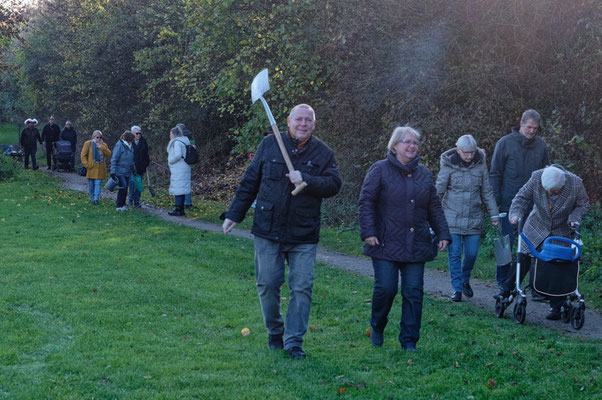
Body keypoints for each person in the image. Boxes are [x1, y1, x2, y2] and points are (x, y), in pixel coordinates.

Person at [222, 104, 341, 359]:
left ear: (314, 123)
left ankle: (294, 341)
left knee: (302, 287)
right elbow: (250, 181)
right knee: (267, 284)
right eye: (299, 119)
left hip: (303, 233)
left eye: (309, 120)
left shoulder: (323, 153)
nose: (303, 124)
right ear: (288, 121)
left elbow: (334, 184)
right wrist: (235, 214)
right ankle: (275, 331)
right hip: (268, 229)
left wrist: (307, 179)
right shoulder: (269, 144)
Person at [358, 126, 451, 352]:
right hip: (384, 241)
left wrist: (443, 232)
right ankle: (378, 325)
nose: (411, 146)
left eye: (415, 143)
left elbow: (433, 206)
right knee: (386, 288)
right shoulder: (379, 169)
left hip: (416, 243)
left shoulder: (424, 174)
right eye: (406, 142)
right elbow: (366, 201)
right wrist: (369, 231)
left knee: (413, 293)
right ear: (394, 145)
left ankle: (409, 341)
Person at [495, 165, 589, 320]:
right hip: (536, 226)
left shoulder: (575, 183)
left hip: (561, 230)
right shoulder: (536, 177)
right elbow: (522, 197)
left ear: (563, 183)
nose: (550, 193)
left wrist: (574, 219)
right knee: (523, 257)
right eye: (548, 190)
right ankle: (505, 290)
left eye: (554, 191)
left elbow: (583, 204)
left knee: (559, 265)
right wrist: (515, 214)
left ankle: (556, 306)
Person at [489, 109, 548, 298]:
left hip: (533, 206)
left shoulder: (541, 146)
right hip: (507, 204)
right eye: (529, 127)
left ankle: (534, 286)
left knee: (532, 247)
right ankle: (502, 283)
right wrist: (496, 204)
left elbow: (545, 176)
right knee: (505, 246)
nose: (531, 131)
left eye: (535, 128)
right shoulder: (505, 143)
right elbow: (495, 173)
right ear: (521, 124)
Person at [436, 135, 499, 301]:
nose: (470, 156)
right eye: (466, 153)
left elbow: (487, 191)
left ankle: (465, 280)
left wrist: (494, 214)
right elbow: (439, 192)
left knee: (471, 254)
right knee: (455, 254)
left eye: (472, 152)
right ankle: (456, 289)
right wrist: (433, 216)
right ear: (458, 150)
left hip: (474, 218)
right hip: (451, 218)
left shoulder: (480, 165)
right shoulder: (448, 166)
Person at [80, 130, 111, 204]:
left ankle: (96, 199)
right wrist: (86, 164)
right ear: (94, 137)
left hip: (100, 168)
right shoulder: (88, 143)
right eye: (97, 137)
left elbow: (109, 154)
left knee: (98, 184)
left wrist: (102, 147)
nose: (99, 139)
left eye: (100, 137)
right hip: (91, 168)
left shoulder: (104, 145)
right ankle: (92, 198)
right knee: (91, 185)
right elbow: (83, 155)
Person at [166, 125, 191, 216]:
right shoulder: (184, 141)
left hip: (179, 168)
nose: (169, 136)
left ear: (174, 134)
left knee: (178, 189)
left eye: (170, 134)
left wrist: (170, 161)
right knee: (182, 188)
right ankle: (181, 209)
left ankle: (178, 209)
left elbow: (177, 155)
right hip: (184, 167)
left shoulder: (177, 142)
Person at [110, 131, 136, 211]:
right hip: (119, 171)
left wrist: (134, 169)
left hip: (127, 171)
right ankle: (118, 206)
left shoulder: (130, 146)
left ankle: (122, 205)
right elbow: (114, 158)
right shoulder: (119, 145)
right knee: (123, 187)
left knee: (125, 188)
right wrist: (113, 171)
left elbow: (131, 160)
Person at [128, 125, 150, 208]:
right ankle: (130, 199)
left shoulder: (144, 142)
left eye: (139, 133)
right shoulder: (129, 142)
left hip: (140, 167)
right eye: (137, 133)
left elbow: (146, 154)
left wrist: (146, 163)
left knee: (139, 184)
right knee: (132, 183)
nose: (138, 135)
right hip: (131, 167)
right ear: (132, 133)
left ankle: (136, 201)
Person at [176, 123, 194, 209]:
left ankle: (183, 202)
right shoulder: (190, 136)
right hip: (190, 161)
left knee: (181, 183)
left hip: (183, 162)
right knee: (187, 182)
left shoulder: (181, 137)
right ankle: (188, 202)